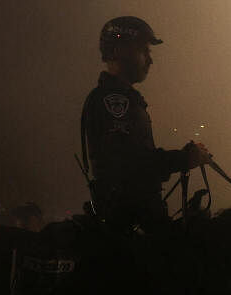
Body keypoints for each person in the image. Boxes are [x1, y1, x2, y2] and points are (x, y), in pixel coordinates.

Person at [81, 16, 211, 232]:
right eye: (144, 51)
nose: (150, 60)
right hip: (129, 222)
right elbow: (130, 166)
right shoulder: (114, 101)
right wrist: (185, 158)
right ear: (119, 51)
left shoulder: (121, 98)